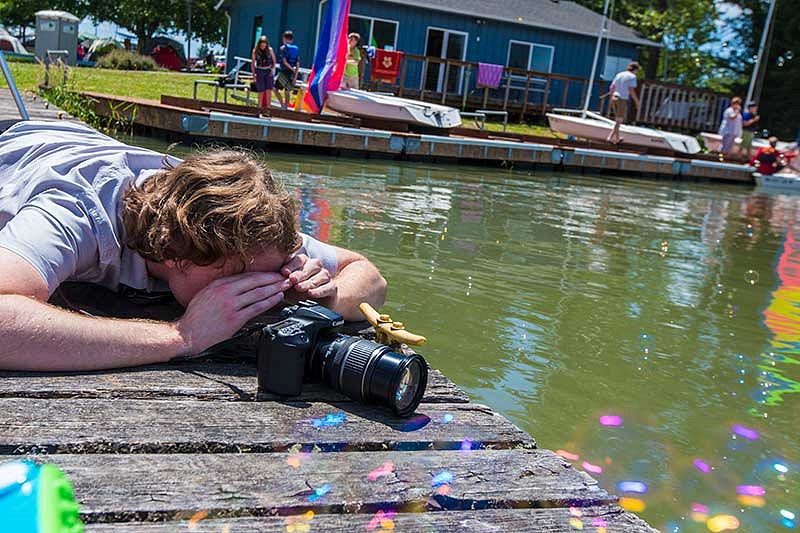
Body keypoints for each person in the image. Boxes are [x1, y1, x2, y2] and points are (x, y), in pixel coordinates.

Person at [0, 120, 387, 372]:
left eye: (274, 271)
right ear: (173, 255)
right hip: (16, 148)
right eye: (239, 278)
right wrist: (180, 336)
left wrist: (327, 295)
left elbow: (369, 275)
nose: (266, 288)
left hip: (76, 138)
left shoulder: (246, 236)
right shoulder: (78, 211)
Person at [606, 62, 641, 145]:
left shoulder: (619, 74)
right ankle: (610, 137)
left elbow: (612, 87)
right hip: (622, 98)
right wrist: (637, 101)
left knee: (618, 119)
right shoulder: (632, 77)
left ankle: (616, 138)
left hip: (615, 97)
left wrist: (611, 97)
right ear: (635, 69)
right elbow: (631, 90)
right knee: (619, 120)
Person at [275, 31, 300, 110]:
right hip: (292, 73)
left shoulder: (283, 48)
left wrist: (291, 69)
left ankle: (282, 105)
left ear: (284, 38)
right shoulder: (295, 49)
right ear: (292, 40)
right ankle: (286, 106)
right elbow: (298, 63)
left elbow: (284, 62)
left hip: (285, 71)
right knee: (287, 91)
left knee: (275, 89)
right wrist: (295, 74)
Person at [251, 35, 277, 109]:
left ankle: (268, 108)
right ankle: (259, 108)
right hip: (259, 70)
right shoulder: (255, 50)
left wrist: (272, 70)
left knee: (269, 90)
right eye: (261, 44)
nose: (263, 45)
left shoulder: (270, 50)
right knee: (261, 90)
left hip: (268, 70)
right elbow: (253, 63)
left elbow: (274, 61)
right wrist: (253, 74)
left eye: (264, 43)